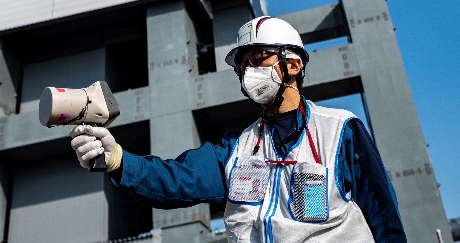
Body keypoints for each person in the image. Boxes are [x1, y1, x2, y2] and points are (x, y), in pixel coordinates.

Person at [69, 16, 406, 242]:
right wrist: (118, 159)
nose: (247, 74)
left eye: (257, 60)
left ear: (293, 64)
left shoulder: (339, 133)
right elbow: (176, 180)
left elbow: (384, 218)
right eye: (241, 68)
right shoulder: (238, 149)